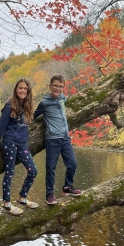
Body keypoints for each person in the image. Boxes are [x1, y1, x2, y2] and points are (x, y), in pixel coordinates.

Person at [0, 78, 38, 215]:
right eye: (20, 88)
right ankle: (7, 203)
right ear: (16, 89)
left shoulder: (27, 107)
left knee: (33, 171)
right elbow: (0, 128)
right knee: (10, 172)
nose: (23, 91)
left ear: (28, 91)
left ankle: (22, 198)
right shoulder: (9, 106)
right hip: (10, 142)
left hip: (22, 144)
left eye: (25, 89)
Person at [34, 74, 82, 205]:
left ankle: (68, 186)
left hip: (65, 138)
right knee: (51, 167)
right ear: (50, 86)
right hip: (52, 139)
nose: (57, 88)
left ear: (63, 88)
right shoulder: (44, 102)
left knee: (72, 163)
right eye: (55, 85)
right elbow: (33, 116)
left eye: (60, 86)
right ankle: (49, 194)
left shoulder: (63, 99)